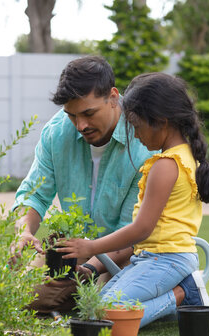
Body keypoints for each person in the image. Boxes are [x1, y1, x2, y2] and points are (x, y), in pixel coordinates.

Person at [57, 72, 209, 326]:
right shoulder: (184, 156)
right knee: (95, 309)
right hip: (156, 258)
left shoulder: (166, 165)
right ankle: (180, 295)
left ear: (160, 121)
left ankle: (184, 294)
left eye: (136, 126)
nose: (135, 135)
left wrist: (90, 247)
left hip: (168, 259)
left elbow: (141, 229)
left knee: (102, 315)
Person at [9, 56, 154, 312]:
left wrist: (88, 269)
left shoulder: (143, 144)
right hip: (74, 254)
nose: (81, 126)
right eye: (72, 116)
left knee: (99, 307)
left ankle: (181, 290)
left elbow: (133, 234)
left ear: (112, 96)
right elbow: (34, 195)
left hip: (124, 257)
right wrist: (24, 231)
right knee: (12, 294)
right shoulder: (56, 133)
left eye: (88, 113)